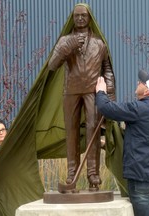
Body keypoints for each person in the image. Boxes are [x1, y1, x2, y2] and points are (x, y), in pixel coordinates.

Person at [48, 3, 115, 190]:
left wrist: (110, 92)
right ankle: (72, 174)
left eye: (83, 15)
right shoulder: (64, 40)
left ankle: (93, 174)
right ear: (72, 18)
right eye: (76, 15)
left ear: (89, 18)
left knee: (93, 131)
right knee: (71, 132)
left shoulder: (99, 44)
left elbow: (107, 69)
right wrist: (66, 48)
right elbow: (52, 66)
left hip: (93, 91)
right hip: (71, 91)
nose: (79, 18)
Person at [95, 70, 149, 216]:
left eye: (141, 82)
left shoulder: (138, 109)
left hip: (140, 178)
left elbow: (106, 109)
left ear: (147, 90)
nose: (138, 83)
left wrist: (101, 93)